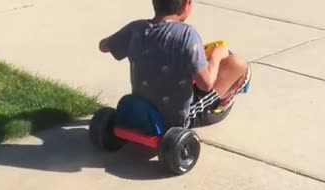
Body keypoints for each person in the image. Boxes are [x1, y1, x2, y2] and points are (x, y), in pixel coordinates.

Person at [99, 0, 250, 130]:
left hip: (140, 107)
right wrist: (216, 56)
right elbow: (207, 84)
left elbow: (103, 46)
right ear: (186, 4)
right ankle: (222, 102)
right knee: (239, 65)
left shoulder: (136, 29)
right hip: (177, 117)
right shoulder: (187, 35)